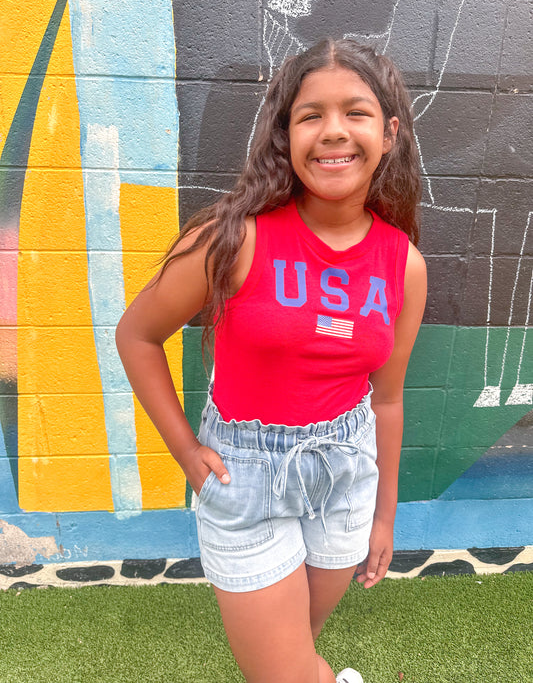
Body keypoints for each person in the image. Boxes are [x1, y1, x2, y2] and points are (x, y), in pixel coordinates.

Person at [115, 38, 427, 683]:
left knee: (291, 655)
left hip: (346, 475)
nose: (333, 132)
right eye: (310, 114)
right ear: (286, 134)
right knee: (283, 672)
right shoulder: (232, 238)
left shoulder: (404, 263)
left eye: (356, 112)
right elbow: (137, 336)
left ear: (389, 132)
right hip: (244, 475)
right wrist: (184, 451)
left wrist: (385, 515)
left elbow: (388, 397)